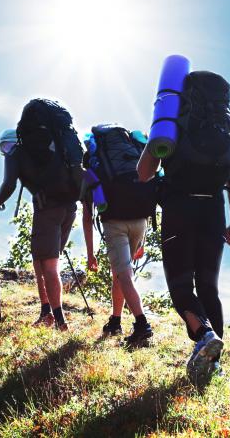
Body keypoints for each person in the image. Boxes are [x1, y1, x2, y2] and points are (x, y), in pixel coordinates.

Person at [137, 71, 230, 381]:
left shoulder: (170, 125)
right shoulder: (222, 127)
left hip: (179, 209)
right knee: (209, 288)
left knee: (182, 286)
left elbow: (143, 173)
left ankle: (206, 337)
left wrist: (157, 140)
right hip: (213, 210)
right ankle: (215, 365)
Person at [0, 128, 77, 331]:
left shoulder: (15, 153)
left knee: (49, 266)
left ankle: (59, 321)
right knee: (39, 262)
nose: (6, 151)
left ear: (14, 143)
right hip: (69, 208)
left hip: (48, 208)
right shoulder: (49, 151)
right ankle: (46, 312)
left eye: (5, 146)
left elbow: (9, 184)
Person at [82, 125, 155, 346]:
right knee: (119, 274)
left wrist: (90, 254)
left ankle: (142, 324)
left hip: (115, 222)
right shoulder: (132, 153)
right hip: (141, 220)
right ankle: (115, 320)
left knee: (124, 275)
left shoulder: (94, 162)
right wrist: (142, 238)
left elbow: (87, 215)